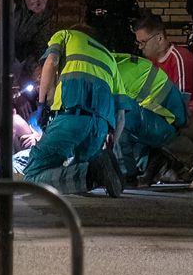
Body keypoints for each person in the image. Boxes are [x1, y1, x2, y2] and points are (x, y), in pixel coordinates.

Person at [24, 26, 126, 197]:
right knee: (75, 174)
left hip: (71, 117)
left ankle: (94, 171)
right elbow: (121, 114)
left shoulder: (65, 35)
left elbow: (51, 62)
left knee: (32, 177)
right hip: (99, 127)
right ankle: (103, 170)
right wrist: (111, 148)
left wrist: (41, 105)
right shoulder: (110, 58)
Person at [133, 12, 193, 178]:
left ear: (160, 38)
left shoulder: (180, 59)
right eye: (138, 42)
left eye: (143, 42)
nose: (140, 47)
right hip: (190, 116)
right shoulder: (152, 62)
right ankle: (167, 164)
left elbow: (179, 107)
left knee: (158, 124)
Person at [111, 51, 190, 184]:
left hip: (168, 123)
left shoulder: (110, 76)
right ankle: (151, 161)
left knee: (119, 118)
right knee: (122, 118)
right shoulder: (112, 64)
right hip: (162, 119)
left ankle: (127, 174)